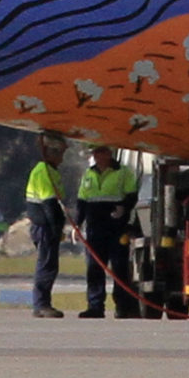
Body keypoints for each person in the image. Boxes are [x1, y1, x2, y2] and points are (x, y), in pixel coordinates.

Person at [77, 144, 140, 318]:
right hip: (95, 228)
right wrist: (77, 224)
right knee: (94, 267)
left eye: (100, 152)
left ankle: (123, 306)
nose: (97, 156)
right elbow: (82, 201)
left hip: (116, 227)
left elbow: (132, 195)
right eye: (95, 153)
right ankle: (95, 306)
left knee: (119, 267)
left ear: (109, 154)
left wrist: (124, 208)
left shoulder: (123, 172)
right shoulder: (89, 174)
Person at [25, 134, 68, 318]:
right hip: (45, 226)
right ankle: (41, 304)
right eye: (58, 152)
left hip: (46, 226)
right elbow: (49, 204)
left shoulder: (51, 170)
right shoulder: (44, 171)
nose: (62, 157)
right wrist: (56, 228)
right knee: (47, 266)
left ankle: (43, 303)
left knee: (50, 265)